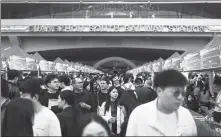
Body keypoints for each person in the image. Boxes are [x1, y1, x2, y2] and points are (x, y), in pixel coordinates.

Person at [126, 69, 197, 136]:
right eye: (176, 93)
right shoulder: (139, 115)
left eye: (183, 93)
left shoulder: (186, 116)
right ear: (159, 91)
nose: (180, 97)